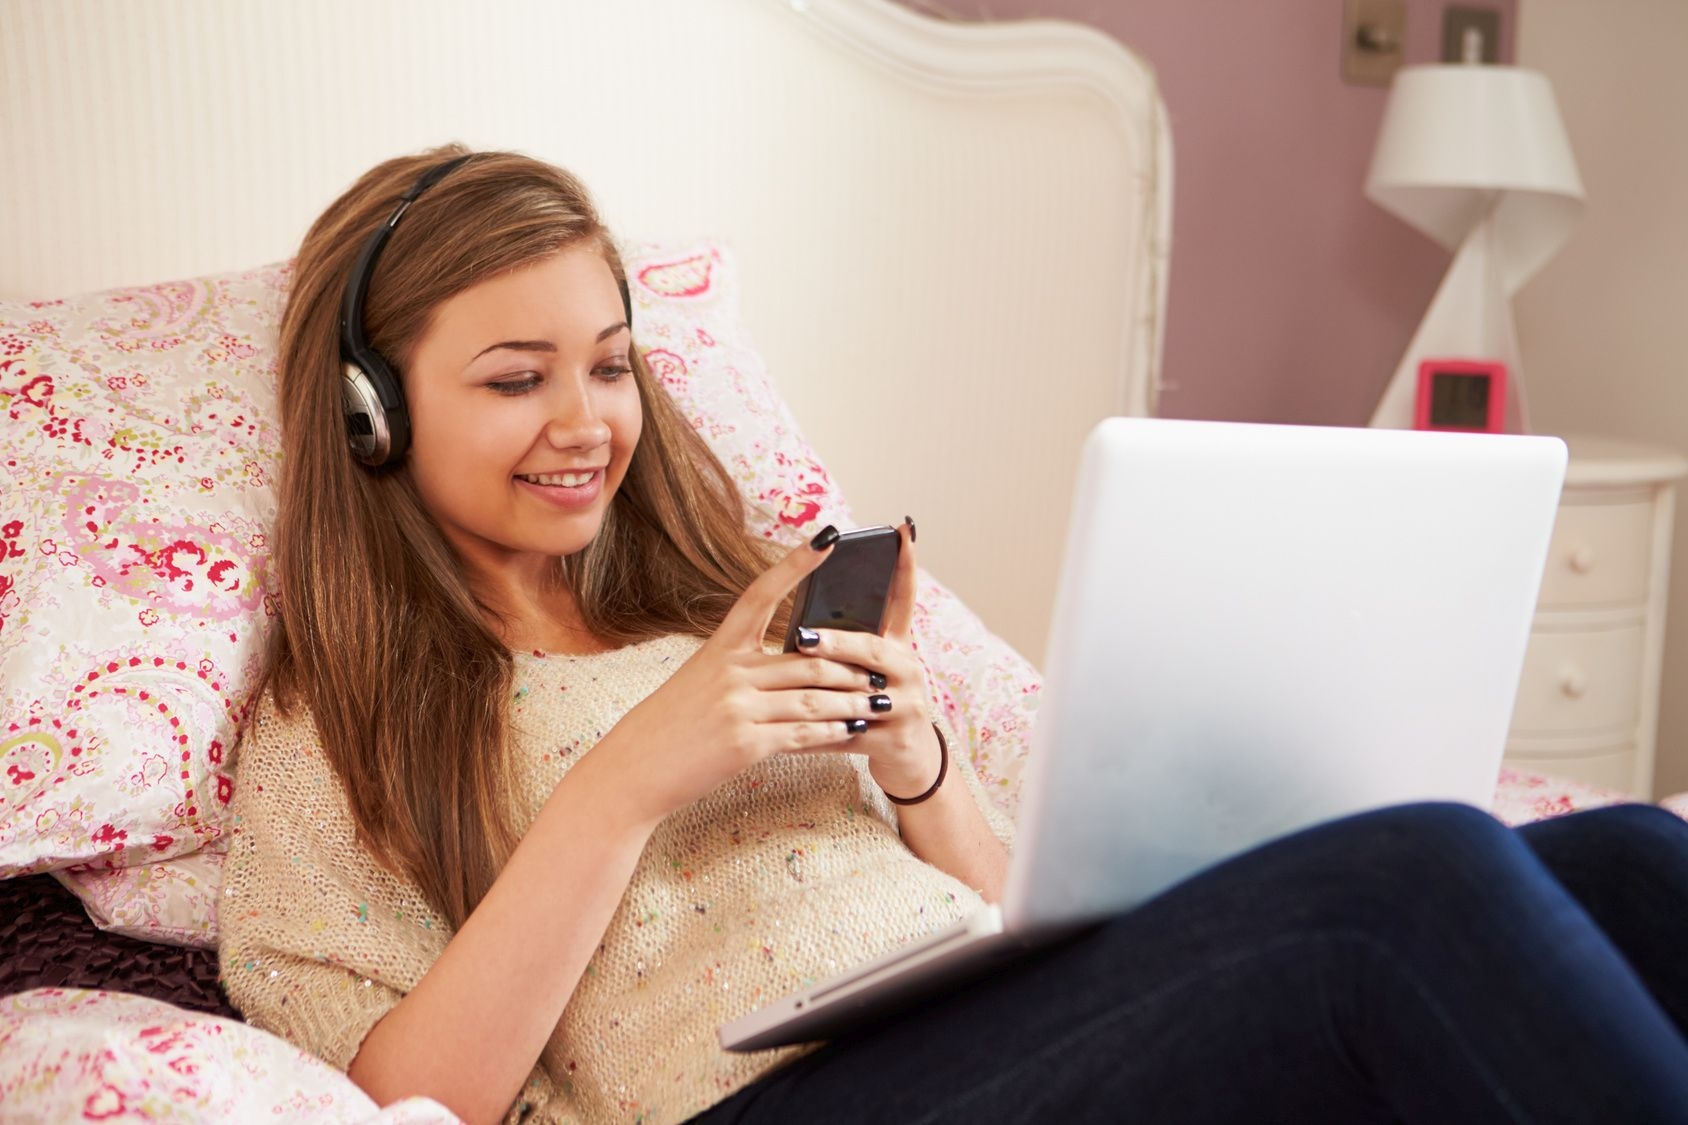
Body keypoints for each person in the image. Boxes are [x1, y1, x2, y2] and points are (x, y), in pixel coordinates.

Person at [219, 145, 1688, 1125]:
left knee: (1633, 856)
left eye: (609, 364)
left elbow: (1008, 905)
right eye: (513, 376)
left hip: (996, 1027)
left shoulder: (731, 596)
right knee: (1408, 880)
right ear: (375, 414)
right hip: (773, 1103)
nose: (584, 421)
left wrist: (922, 768)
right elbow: (411, 1098)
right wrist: (626, 780)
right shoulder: (333, 724)